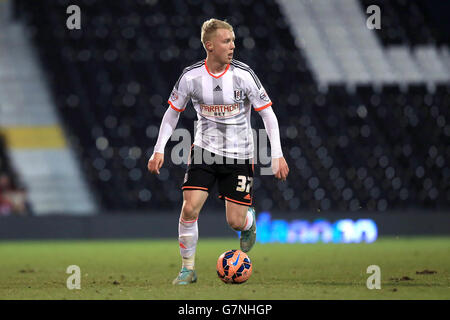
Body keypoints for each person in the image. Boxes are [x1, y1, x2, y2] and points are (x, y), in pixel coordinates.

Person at [148, 18, 289, 285]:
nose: (233, 46)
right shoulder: (191, 77)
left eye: (233, 40)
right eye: (227, 41)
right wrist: (159, 150)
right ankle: (187, 270)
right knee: (189, 209)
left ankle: (248, 223)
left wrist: (277, 154)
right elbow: (171, 114)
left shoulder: (243, 75)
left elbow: (268, 115)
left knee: (234, 222)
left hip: (240, 154)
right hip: (204, 151)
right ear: (209, 45)